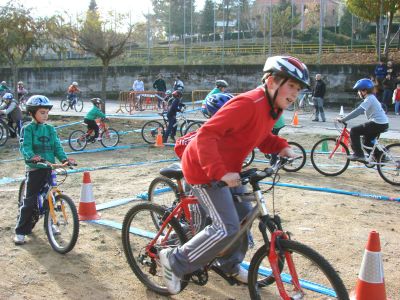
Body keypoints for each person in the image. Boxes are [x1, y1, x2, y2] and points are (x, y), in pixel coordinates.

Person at [159, 55, 310, 295]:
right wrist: (219, 172)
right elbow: (206, 135)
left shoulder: (271, 109)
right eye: (291, 86)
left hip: (229, 170)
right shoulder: (249, 103)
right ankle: (174, 260)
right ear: (272, 82)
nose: (295, 94)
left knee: (243, 219)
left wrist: (280, 145)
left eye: (299, 89)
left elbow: (258, 135)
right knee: (226, 226)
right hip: (203, 170)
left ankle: (228, 264)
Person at [14, 95, 76, 245]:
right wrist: (32, 156)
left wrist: (64, 159)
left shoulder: (50, 129)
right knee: (29, 202)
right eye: (42, 112)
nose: (45, 115)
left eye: (47, 112)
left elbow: (57, 147)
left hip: (49, 168)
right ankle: (20, 232)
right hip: (35, 169)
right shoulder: (27, 129)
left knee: (51, 199)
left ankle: (51, 223)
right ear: (32, 113)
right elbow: (25, 146)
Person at [338, 78, 389, 162]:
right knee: (366, 141)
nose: (358, 93)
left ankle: (359, 155)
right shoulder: (371, 98)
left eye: (359, 91)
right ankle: (380, 157)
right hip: (381, 123)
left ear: (364, 90)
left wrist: (344, 119)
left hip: (378, 123)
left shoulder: (370, 98)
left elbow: (358, 111)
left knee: (354, 131)